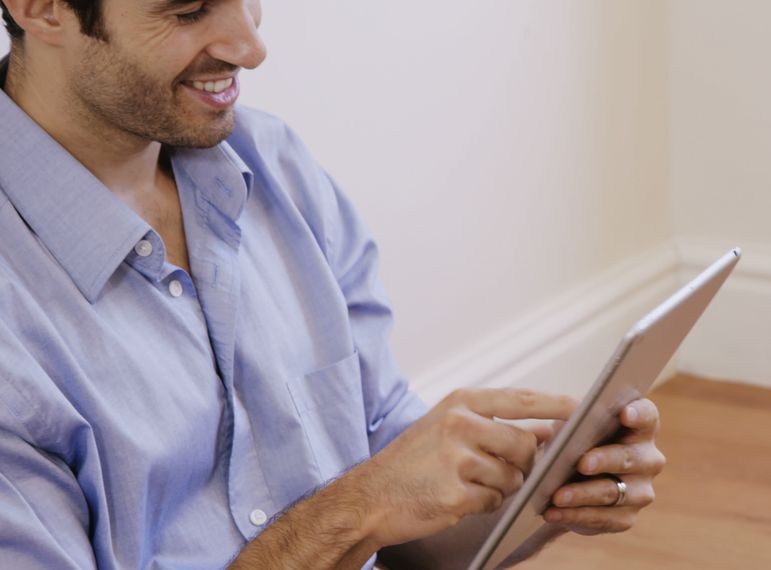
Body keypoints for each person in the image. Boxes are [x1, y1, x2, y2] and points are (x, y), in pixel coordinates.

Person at [0, 1, 666, 568]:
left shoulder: (275, 171)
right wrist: (359, 509)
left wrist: (541, 490)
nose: (250, 45)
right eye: (188, 9)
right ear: (39, 6)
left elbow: (408, 528)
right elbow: (376, 504)